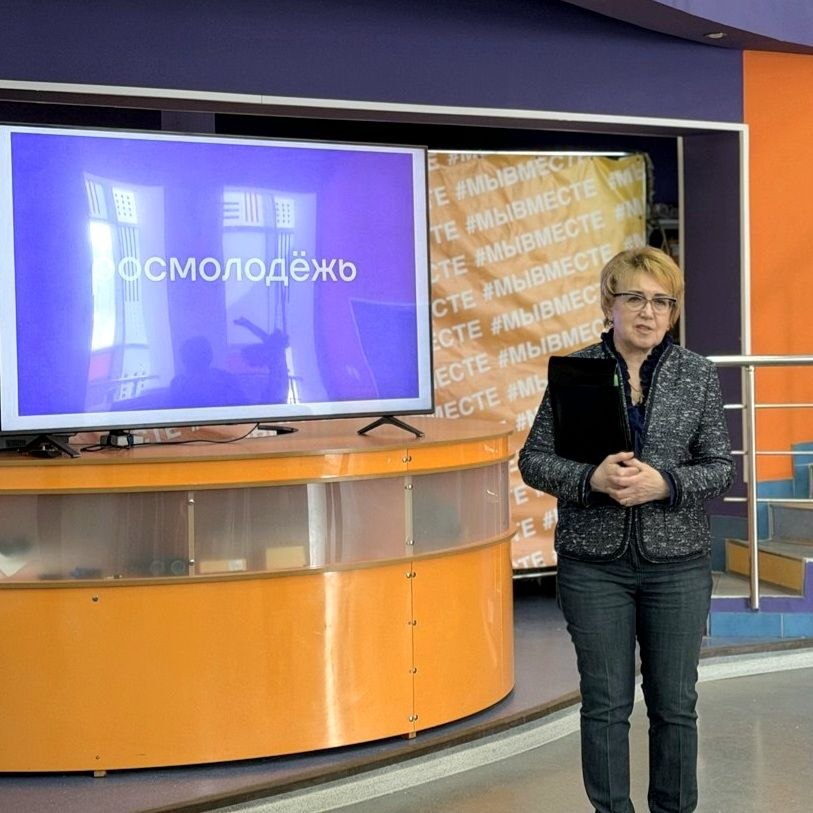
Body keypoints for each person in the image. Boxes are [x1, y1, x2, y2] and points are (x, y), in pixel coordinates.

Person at [518, 246, 734, 813]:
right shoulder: (575, 372)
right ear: (608, 304)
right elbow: (534, 460)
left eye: (663, 301)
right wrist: (590, 478)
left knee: (674, 706)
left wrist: (665, 483)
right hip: (594, 567)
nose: (649, 312)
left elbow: (720, 468)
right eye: (635, 297)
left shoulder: (697, 375)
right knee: (605, 705)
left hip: (677, 567)